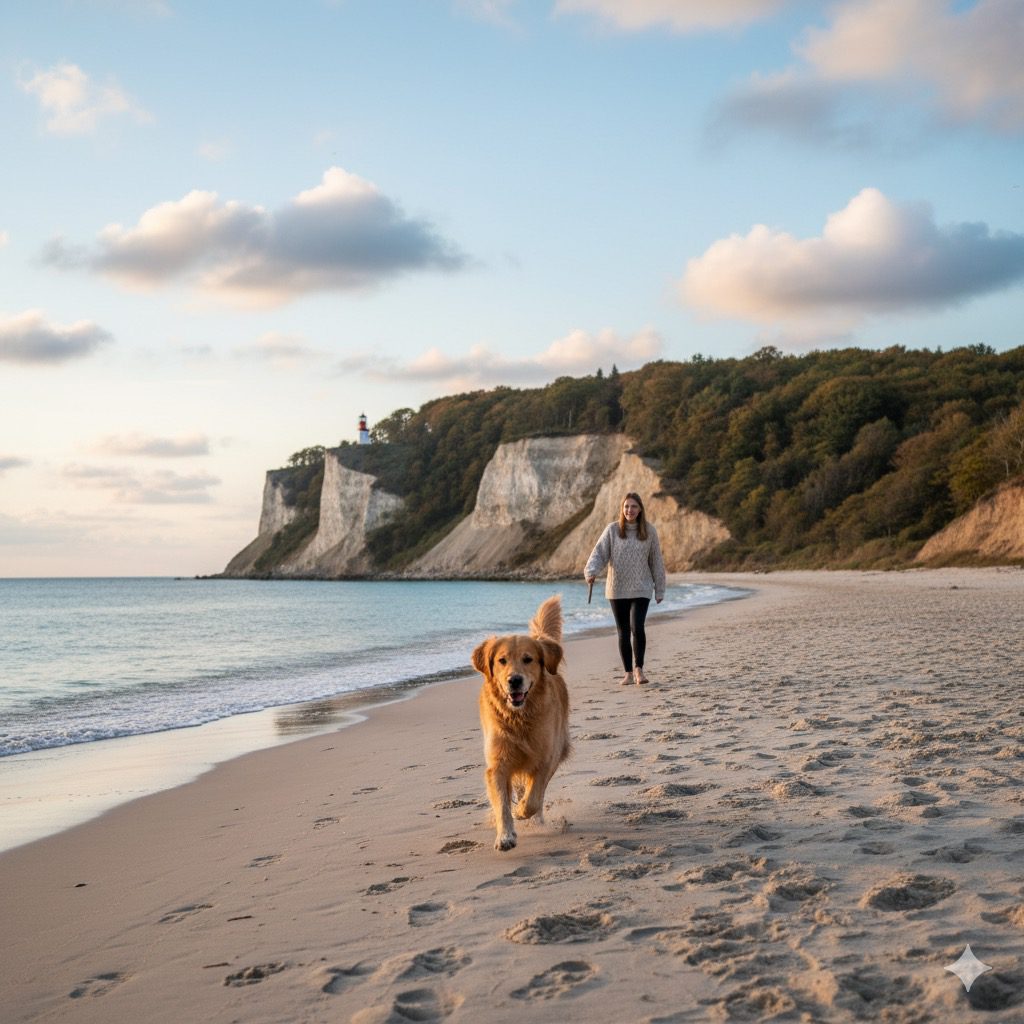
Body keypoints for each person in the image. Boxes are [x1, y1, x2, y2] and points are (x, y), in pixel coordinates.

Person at [585, 492, 666, 686]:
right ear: (622, 509)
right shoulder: (612, 530)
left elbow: (656, 561)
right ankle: (628, 673)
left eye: (634, 507)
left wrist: (660, 589)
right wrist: (591, 571)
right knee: (623, 631)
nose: (630, 510)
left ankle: (639, 670)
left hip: (642, 587)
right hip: (617, 588)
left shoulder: (649, 531)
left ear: (640, 510)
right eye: (627, 506)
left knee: (637, 627)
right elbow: (599, 553)